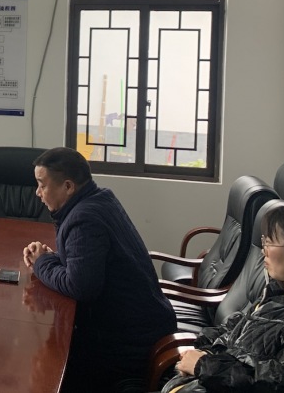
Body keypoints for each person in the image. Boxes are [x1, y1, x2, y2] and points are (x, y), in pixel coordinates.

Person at [21, 147, 175, 391]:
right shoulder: (100, 199)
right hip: (144, 326)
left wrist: (42, 262)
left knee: (48, 368)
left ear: (68, 186)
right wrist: (52, 258)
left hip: (128, 344)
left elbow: (80, 287)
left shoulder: (84, 219)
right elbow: (90, 263)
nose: (38, 193)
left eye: (42, 185)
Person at [162, 201, 284, 393]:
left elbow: (278, 383)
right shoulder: (283, 291)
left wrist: (204, 366)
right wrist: (205, 351)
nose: (264, 250)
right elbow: (238, 327)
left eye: (270, 243)